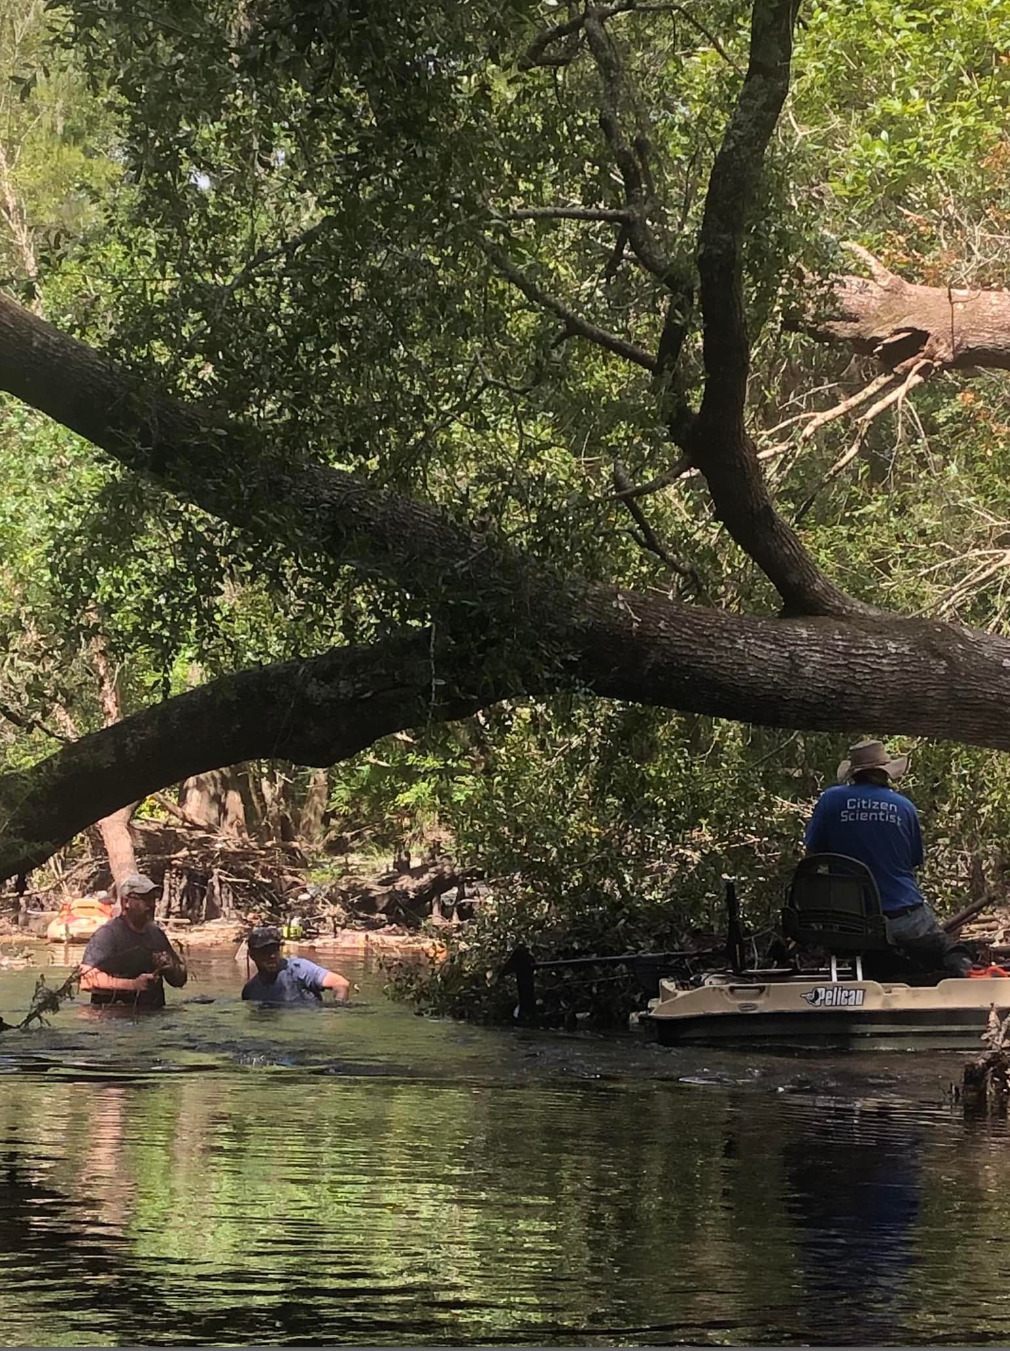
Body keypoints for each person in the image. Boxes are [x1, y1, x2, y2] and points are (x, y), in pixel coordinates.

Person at [804, 739, 972, 977]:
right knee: (947, 951)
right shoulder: (904, 807)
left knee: (879, 956)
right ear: (885, 773)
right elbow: (912, 863)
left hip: (849, 923)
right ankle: (962, 973)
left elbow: (811, 860)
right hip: (905, 919)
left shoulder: (830, 800)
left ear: (854, 773)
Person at [80, 873, 188, 1008]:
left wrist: (171, 967)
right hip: (113, 1017)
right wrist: (132, 985)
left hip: (153, 1018)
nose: (151, 905)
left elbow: (180, 981)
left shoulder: (156, 934)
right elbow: (86, 980)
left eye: (153, 899)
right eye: (145, 899)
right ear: (126, 902)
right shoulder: (108, 935)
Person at [241, 926, 351, 1005]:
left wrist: (338, 1010)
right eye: (265, 951)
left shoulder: (299, 969)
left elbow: (340, 983)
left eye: (275, 950)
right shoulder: (250, 990)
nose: (272, 956)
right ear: (253, 956)